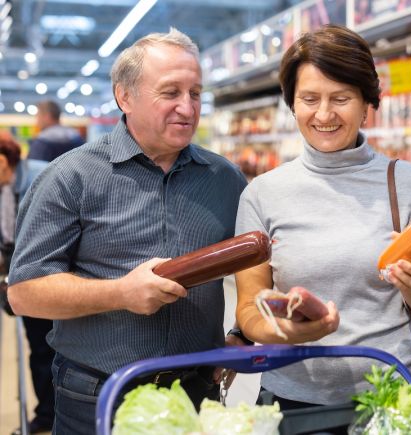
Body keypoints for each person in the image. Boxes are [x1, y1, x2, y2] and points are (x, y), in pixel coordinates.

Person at [7, 28, 248, 435]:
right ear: (125, 96)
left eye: (195, 93)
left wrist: (241, 333)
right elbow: (24, 292)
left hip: (194, 393)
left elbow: (252, 268)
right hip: (98, 394)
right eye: (170, 92)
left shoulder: (225, 179)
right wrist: (120, 293)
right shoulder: (70, 177)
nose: (187, 108)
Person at [234, 24, 411, 412]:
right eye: (310, 99)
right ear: (292, 104)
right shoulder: (262, 194)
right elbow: (249, 309)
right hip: (296, 398)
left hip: (397, 396)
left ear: (367, 103)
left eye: (341, 98)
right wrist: (283, 330)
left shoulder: (408, 182)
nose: (325, 114)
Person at [0, 132, 52, 434]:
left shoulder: (41, 176)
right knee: (38, 347)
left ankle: (53, 414)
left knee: (50, 347)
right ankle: (46, 413)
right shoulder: (5, 184)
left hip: (46, 274)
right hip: (15, 270)